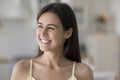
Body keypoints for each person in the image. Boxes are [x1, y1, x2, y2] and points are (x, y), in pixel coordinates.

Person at [11, 3, 94, 80]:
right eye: (40, 26)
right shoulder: (22, 69)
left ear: (68, 33)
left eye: (51, 27)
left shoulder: (83, 73)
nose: (42, 33)